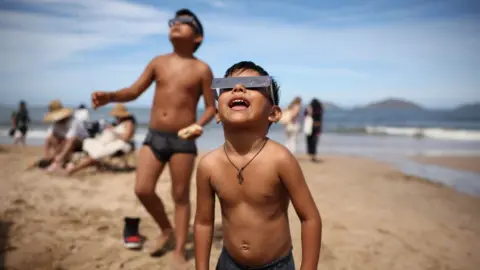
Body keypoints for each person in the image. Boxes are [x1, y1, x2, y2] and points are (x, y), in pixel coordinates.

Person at [90, 9, 216, 265]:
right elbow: (134, 91)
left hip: (183, 140)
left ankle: (180, 248)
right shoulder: (158, 62)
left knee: (180, 195)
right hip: (155, 136)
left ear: (198, 37)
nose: (176, 25)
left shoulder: (202, 69)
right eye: (173, 22)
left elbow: (212, 107)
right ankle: (166, 230)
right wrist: (111, 96)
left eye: (184, 23)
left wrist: (198, 125)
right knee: (143, 189)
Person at [194, 61, 322, 270]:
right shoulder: (208, 165)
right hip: (229, 263)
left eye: (253, 85)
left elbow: (310, 218)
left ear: (273, 113)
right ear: (217, 114)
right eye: (227, 86)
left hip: (276, 264)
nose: (238, 88)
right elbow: (203, 223)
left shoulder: (280, 159)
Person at [64, 103, 136, 176]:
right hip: (110, 143)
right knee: (89, 144)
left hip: (121, 145)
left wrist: (114, 132)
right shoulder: (117, 123)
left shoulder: (128, 123)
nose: (115, 117)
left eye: (117, 115)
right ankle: (97, 165)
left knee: (96, 154)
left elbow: (126, 138)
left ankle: (74, 169)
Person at [42, 100, 90, 172]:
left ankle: (59, 160)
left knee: (71, 139)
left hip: (81, 142)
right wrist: (47, 155)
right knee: (50, 138)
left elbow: (69, 139)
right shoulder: (56, 123)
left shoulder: (74, 121)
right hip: (65, 142)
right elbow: (49, 138)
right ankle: (49, 159)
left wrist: (58, 155)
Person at [304, 99, 323, 163]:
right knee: (314, 143)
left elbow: (305, 115)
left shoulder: (310, 108)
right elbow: (319, 119)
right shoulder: (319, 110)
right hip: (316, 128)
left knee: (310, 142)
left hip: (310, 128)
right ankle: (313, 156)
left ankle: (310, 155)